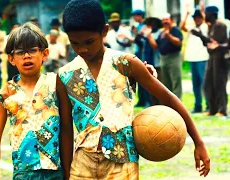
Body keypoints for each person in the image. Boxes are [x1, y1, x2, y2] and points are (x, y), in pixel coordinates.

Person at [59, 0, 210, 179]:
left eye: (89, 41)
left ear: (104, 31)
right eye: (74, 43)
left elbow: (168, 98)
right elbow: (66, 127)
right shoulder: (65, 75)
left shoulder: (125, 63)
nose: (82, 49)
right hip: (82, 163)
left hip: (123, 161)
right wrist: (67, 173)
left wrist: (198, 142)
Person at [0, 22, 72, 179]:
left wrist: (68, 172)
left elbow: (67, 128)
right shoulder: (5, 94)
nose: (27, 56)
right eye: (20, 52)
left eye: (32, 50)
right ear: (12, 59)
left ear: (44, 54)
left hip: (55, 171)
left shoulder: (56, 84)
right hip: (23, 172)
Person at [193, 6, 229, 117]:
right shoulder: (211, 26)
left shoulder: (219, 25)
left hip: (221, 59)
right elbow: (208, 44)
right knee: (208, 84)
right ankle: (212, 109)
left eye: (206, 13)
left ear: (212, 14)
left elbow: (216, 43)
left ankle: (222, 110)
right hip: (212, 58)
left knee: (219, 84)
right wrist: (199, 35)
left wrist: (201, 35)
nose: (204, 16)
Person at [180, 7, 209, 113]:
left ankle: (208, 104)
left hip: (202, 58)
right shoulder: (192, 28)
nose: (197, 20)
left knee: (204, 83)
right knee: (195, 84)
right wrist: (186, 14)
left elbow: (206, 23)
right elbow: (182, 27)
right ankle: (198, 105)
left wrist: (202, 11)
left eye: (199, 18)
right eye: (195, 18)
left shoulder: (205, 27)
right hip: (193, 59)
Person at [148, 13, 183, 99]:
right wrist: (149, 36)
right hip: (163, 58)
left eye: (167, 19)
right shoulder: (162, 33)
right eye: (163, 20)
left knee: (175, 81)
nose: (165, 21)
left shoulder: (175, 30)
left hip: (174, 57)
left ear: (171, 20)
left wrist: (169, 36)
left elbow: (179, 43)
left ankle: (178, 102)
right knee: (166, 82)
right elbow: (156, 46)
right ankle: (170, 103)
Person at [132, 10, 152, 108]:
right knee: (138, 77)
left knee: (145, 75)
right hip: (138, 51)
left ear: (140, 16)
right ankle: (141, 100)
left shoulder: (145, 25)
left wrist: (138, 33)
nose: (134, 18)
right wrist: (136, 33)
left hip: (144, 52)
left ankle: (148, 100)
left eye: (136, 16)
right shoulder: (138, 26)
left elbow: (144, 39)